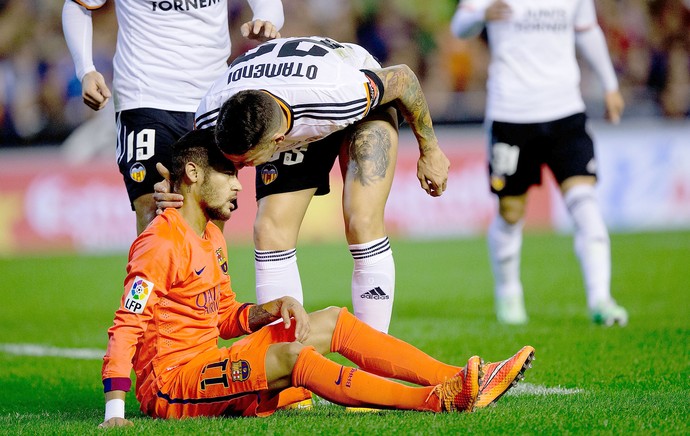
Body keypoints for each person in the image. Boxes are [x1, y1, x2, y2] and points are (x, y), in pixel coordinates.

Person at [99, 128, 534, 427]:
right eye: (229, 174)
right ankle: (436, 400)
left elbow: (223, 317)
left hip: (207, 362)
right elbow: (126, 324)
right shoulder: (159, 242)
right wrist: (114, 410)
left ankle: (459, 377)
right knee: (295, 359)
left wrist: (269, 309)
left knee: (330, 320)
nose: (237, 186)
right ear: (193, 174)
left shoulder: (211, 235)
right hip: (171, 384)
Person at [157, 36, 451, 334]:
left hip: (347, 98)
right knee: (269, 230)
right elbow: (195, 165)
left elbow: (403, 78)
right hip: (281, 99)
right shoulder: (212, 113)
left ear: (278, 142)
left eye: (247, 162)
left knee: (362, 218)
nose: (242, 173)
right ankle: (286, 360)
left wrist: (430, 150)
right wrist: (176, 187)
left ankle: (375, 348)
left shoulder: (340, 94)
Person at [450, 0, 628, 326]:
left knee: (584, 201)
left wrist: (610, 84)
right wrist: (481, 16)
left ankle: (601, 299)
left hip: (565, 111)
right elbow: (459, 26)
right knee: (511, 212)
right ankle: (509, 292)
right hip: (512, 113)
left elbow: (587, 32)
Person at [61, 0, 285, 235]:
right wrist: (85, 69)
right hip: (144, 94)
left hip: (210, 99)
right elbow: (78, 5)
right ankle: (151, 272)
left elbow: (267, 3)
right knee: (151, 207)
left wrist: (266, 19)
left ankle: (206, 273)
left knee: (212, 211)